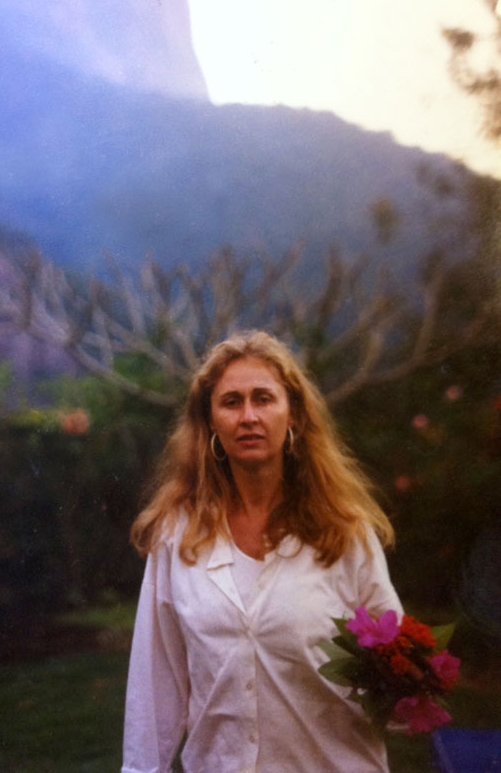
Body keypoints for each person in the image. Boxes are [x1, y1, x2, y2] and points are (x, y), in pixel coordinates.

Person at [122, 330, 402, 773]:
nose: (248, 416)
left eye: (263, 399)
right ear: (210, 421)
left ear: (293, 415)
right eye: (231, 402)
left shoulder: (344, 532)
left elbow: (397, 666)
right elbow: (154, 681)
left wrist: (408, 697)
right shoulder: (177, 535)